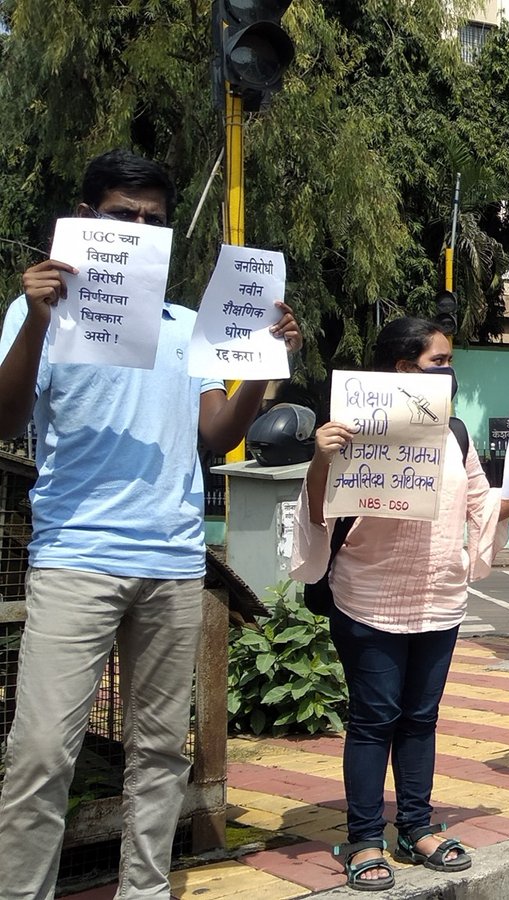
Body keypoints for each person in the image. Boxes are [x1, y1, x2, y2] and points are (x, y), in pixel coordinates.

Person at [0, 150, 302, 900]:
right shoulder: (42, 313)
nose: (137, 228)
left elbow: (216, 434)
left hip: (173, 562)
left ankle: (145, 891)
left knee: (161, 752)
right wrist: (36, 321)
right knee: (41, 753)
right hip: (75, 557)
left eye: (152, 220)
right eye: (121, 216)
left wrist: (264, 366)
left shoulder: (188, 328)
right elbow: (4, 420)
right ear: (85, 220)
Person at [291, 317, 509, 889]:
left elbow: (483, 510)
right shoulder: (354, 432)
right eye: (440, 361)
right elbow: (317, 515)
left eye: (449, 361)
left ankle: (415, 827)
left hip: (440, 602)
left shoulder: (456, 435)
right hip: (368, 603)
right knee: (374, 721)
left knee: (420, 720)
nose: (450, 371)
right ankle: (365, 838)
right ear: (401, 368)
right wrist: (320, 459)